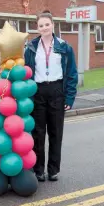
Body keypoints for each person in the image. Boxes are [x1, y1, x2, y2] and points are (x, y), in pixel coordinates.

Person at [23, 10, 78, 182]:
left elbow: (71, 74)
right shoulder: (31, 48)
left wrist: (69, 97)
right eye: (41, 25)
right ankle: (38, 169)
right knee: (37, 134)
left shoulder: (64, 46)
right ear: (37, 28)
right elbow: (26, 73)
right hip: (37, 92)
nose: (44, 28)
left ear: (53, 25)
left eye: (47, 24)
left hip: (56, 92)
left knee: (55, 132)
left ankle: (53, 169)